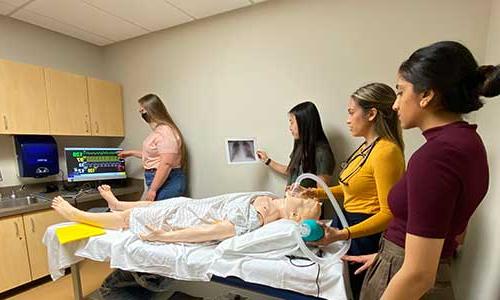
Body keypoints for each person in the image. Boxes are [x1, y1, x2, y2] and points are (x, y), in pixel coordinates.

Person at [343, 41, 499, 300]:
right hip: (406, 266)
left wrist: (397, 263)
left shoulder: (436, 157)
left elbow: (418, 275)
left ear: (427, 95)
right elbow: (449, 230)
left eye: (401, 92)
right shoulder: (467, 141)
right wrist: (385, 259)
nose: (395, 105)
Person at [295, 83, 405, 299]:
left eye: (351, 112)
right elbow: (351, 189)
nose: (347, 119)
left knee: (355, 291)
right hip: (347, 222)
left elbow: (388, 213)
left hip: (365, 234)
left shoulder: (386, 152)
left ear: (371, 114)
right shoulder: (366, 146)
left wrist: (344, 234)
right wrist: (314, 193)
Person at [51, 185, 322, 244]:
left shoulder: (258, 217)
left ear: (295, 212)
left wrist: (164, 237)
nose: (300, 190)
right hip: (195, 203)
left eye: (301, 197)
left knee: (132, 220)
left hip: (191, 219)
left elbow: (212, 232)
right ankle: (120, 203)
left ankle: (78, 215)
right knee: (155, 206)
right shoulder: (273, 200)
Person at [119, 94, 186, 201]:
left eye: (142, 109)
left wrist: (153, 190)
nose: (140, 111)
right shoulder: (160, 131)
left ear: (151, 110)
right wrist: (131, 153)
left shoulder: (165, 131)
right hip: (160, 179)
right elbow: (155, 156)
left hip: (167, 180)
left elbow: (166, 163)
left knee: (157, 215)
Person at [257, 101, 336, 188]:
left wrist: (300, 193)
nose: (290, 128)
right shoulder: (300, 146)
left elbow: (321, 194)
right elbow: (290, 171)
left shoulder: (322, 153)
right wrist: (267, 160)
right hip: (291, 200)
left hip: (304, 201)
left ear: (304, 123)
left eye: (292, 122)